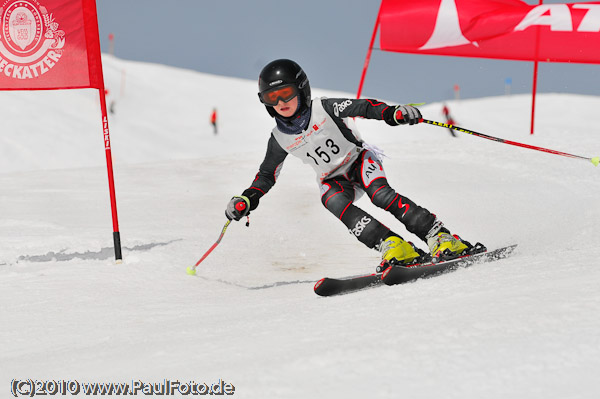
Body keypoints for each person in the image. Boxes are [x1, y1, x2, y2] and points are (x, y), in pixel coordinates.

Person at [225, 59, 475, 268]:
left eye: (286, 93)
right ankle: (393, 245)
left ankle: (439, 235)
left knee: (381, 195)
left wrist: (392, 113)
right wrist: (248, 198)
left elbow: (364, 107)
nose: (280, 102)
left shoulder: (323, 107)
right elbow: (267, 174)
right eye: (271, 97)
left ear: (301, 89)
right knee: (331, 200)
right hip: (332, 179)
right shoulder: (279, 138)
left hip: (358, 160)